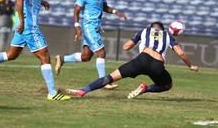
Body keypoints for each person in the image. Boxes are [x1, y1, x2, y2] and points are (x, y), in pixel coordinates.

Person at [0, 0, 71, 101]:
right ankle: (53, 93)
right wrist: (23, 21)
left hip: (22, 25)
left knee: (11, 55)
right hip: (29, 26)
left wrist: (41, 2)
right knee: (45, 56)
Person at [68, 21, 199, 99]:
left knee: (110, 77)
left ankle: (84, 90)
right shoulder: (167, 35)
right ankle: (145, 89)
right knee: (167, 85)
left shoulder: (145, 31)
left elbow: (126, 47)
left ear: (151, 27)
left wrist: (136, 41)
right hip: (157, 65)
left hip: (141, 60)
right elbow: (181, 53)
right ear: (163, 29)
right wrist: (190, 66)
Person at [54, 0, 127, 89]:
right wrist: (77, 26)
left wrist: (115, 12)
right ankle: (104, 81)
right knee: (101, 52)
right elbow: (76, 11)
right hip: (89, 26)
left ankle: (62, 59)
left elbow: (104, 7)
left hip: (96, 27)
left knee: (86, 57)